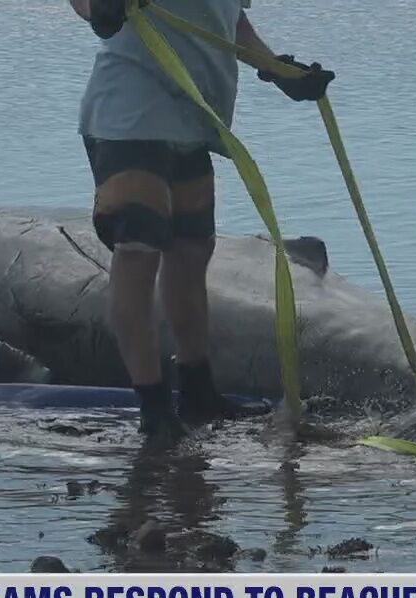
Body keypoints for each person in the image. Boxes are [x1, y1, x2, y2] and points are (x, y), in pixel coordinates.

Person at [68, 0, 335, 445]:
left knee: (191, 253)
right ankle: (153, 408)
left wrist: (279, 71)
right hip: (128, 119)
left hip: (192, 123)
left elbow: (233, 22)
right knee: (139, 251)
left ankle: (197, 391)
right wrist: (101, 8)